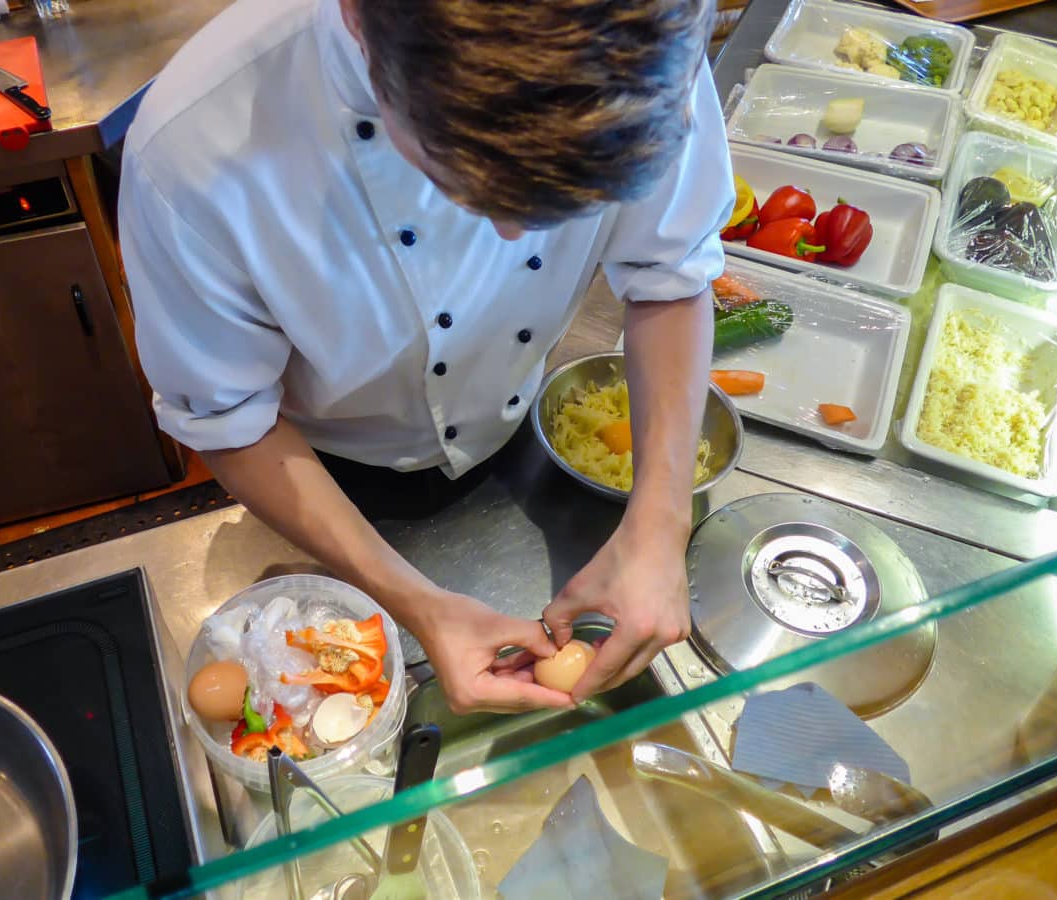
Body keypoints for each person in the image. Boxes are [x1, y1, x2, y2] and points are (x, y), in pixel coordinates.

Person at [118, 0, 734, 715]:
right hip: (325, 479)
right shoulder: (192, 149)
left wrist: (660, 527)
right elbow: (232, 420)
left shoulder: (643, 35)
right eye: (460, 188)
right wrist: (419, 606)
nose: (511, 239)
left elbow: (671, 273)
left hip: (519, 434)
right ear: (357, 20)